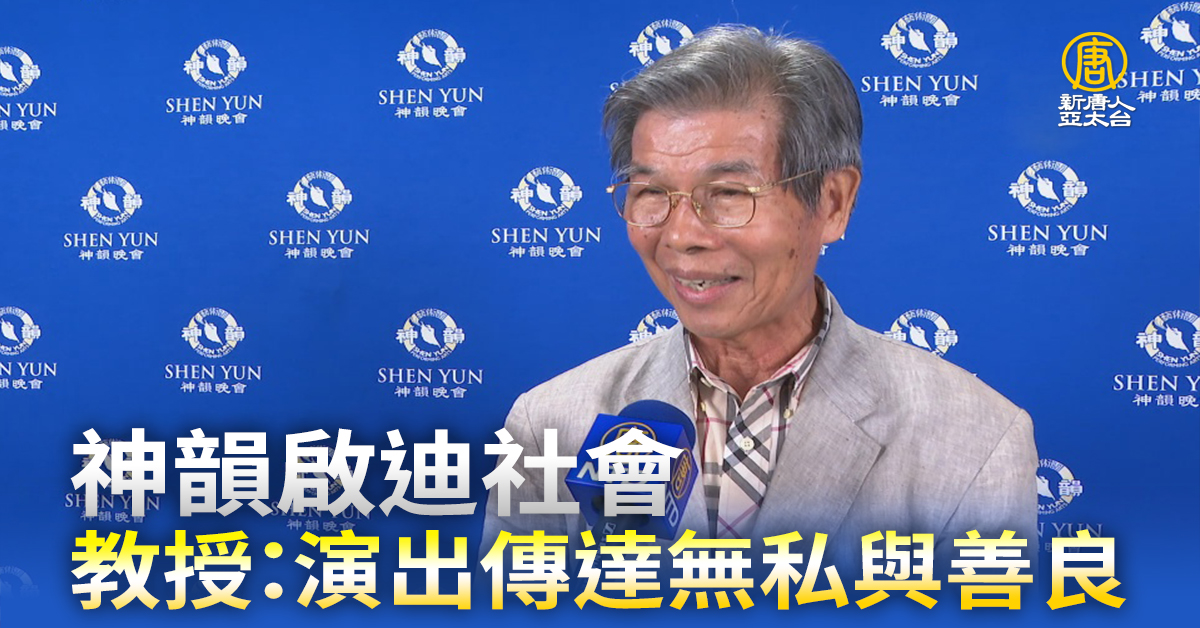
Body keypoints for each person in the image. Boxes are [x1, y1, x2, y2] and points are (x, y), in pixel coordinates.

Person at [482, 25, 1036, 569]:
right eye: (651, 192)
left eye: (727, 193)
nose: (680, 235)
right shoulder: (549, 423)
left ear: (833, 203)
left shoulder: (974, 439)